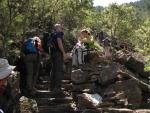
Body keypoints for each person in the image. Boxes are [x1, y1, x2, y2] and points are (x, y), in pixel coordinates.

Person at [50, 23, 70, 92]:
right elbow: (59, 43)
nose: (62, 28)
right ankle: (57, 87)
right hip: (58, 54)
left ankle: (52, 87)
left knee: (53, 70)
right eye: (60, 27)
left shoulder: (52, 35)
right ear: (57, 28)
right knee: (58, 70)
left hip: (53, 54)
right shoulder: (58, 34)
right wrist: (64, 53)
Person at [23, 29, 43, 95]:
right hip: (35, 56)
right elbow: (38, 48)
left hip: (27, 57)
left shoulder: (27, 40)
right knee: (35, 73)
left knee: (29, 73)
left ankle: (28, 88)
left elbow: (22, 49)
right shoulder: (36, 39)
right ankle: (32, 87)